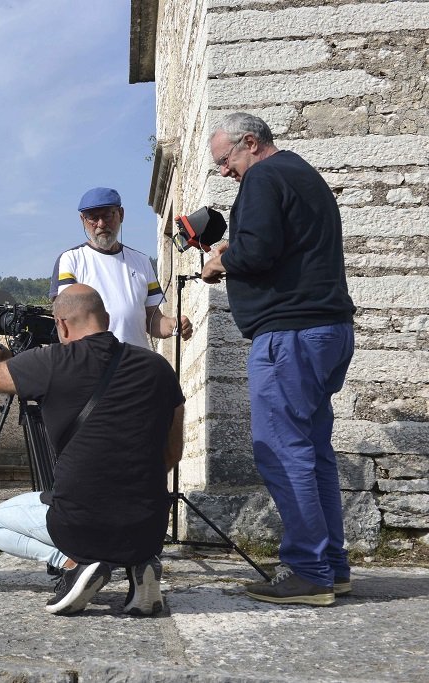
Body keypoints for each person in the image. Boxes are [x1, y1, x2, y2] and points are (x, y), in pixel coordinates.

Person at [201, 112, 355, 606]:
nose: (225, 172)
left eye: (225, 160)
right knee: (313, 451)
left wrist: (221, 257)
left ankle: (309, 572)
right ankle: (331, 567)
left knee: (282, 450)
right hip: (326, 331)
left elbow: (259, 253)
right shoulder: (302, 174)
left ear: (250, 142)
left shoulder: (264, 176)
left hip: (289, 336)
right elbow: (281, 247)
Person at [0, 284, 185, 616]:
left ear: (62, 325)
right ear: (107, 319)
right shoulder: (159, 368)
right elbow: (173, 453)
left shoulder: (51, 361)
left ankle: (75, 564)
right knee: (128, 523)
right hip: (150, 527)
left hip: (81, 526)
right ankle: (141, 566)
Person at [49, 187, 192, 348]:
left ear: (121, 214)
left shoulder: (142, 262)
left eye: (108, 215)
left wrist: (173, 325)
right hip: (92, 363)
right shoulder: (70, 260)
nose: (101, 224)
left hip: (135, 364)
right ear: (82, 219)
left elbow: (152, 319)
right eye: (93, 218)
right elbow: (64, 318)